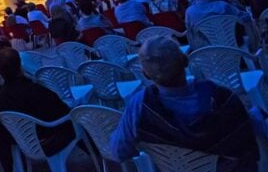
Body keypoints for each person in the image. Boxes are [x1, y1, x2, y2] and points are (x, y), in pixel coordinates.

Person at [110, 37, 259, 170]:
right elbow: (248, 132)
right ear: (185, 61)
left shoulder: (139, 106)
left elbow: (118, 152)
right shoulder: (219, 96)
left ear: (146, 74)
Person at [0, 48, 77, 170]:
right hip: (49, 141)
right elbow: (62, 110)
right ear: (20, 66)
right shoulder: (35, 90)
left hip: (23, 143)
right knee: (78, 118)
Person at [184, 0, 250, 38]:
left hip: (208, 47)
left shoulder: (189, 12)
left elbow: (190, 30)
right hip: (232, 41)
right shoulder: (222, 6)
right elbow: (245, 18)